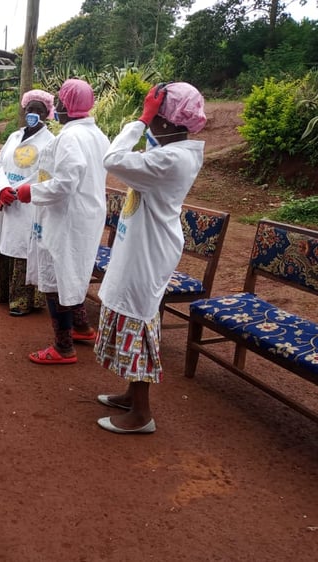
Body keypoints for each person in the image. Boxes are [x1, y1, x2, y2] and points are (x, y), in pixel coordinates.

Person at [95, 82, 207, 434]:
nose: (151, 124)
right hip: (143, 244)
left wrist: (139, 120)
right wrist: (148, 121)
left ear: (167, 121)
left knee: (138, 321)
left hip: (149, 250)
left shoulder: (169, 159)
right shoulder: (173, 151)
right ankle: (131, 394)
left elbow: (112, 159)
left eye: (156, 117)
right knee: (129, 312)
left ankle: (141, 414)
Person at [15, 79, 109, 364]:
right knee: (73, 271)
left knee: (57, 276)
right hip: (86, 216)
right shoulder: (97, 135)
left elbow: (65, 182)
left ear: (67, 106)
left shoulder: (70, 137)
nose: (55, 108)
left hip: (66, 217)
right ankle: (81, 328)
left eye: (59, 102)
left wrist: (31, 192)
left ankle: (63, 346)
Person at [0, 89, 55, 316]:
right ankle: (0, 292)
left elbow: (44, 174)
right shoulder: (14, 137)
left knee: (23, 247)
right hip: (6, 199)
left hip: (27, 202)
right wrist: (1, 188)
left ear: (47, 113)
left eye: (38, 110)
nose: (33, 113)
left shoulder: (50, 142)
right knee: (4, 244)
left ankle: (21, 300)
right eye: (30, 109)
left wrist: (14, 191)